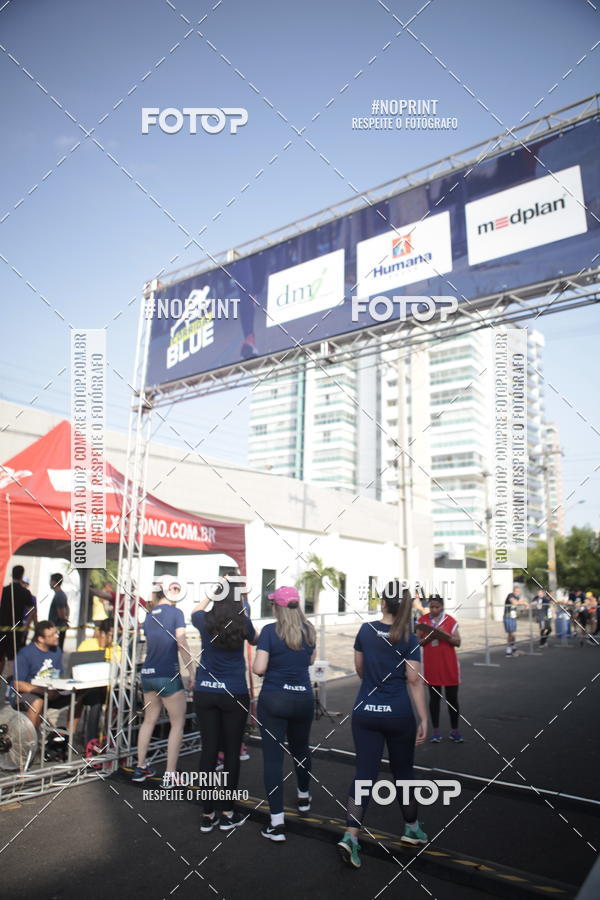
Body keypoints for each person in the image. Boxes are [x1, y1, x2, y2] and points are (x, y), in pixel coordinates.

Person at [338, 581, 428, 869]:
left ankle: (350, 835)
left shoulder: (366, 630)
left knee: (364, 774)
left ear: (383, 603)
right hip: (398, 715)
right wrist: (424, 718)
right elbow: (414, 681)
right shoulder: (410, 639)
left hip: (366, 712)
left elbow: (360, 669)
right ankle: (411, 829)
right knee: (404, 774)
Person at [192, 578, 257, 832]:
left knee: (208, 751)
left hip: (205, 691)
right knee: (231, 752)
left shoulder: (204, 620)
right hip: (234, 692)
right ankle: (228, 811)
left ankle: (207, 814)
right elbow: (255, 640)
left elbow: (195, 610)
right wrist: (243, 607)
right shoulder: (243, 622)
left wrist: (211, 592)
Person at [252, 586, 316, 842]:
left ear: (277, 607)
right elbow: (310, 661)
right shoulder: (309, 630)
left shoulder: (270, 631)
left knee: (273, 760)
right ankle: (304, 797)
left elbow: (259, 668)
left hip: (275, 699)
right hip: (303, 698)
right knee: (301, 749)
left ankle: (277, 823)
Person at [132, 577, 194, 783]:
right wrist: (192, 671)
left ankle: (140, 767)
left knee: (149, 720)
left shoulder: (149, 616)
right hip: (168, 674)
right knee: (177, 724)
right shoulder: (176, 613)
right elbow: (181, 642)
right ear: (168, 591)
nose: (177, 593)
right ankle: (170, 773)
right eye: (175, 589)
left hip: (148, 674)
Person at [11, 620, 83, 730]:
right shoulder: (25, 654)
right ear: (40, 639)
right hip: (27, 693)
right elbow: (18, 684)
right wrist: (43, 691)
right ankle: (32, 738)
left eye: (56, 633)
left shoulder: (56, 650)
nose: (56, 636)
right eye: (51, 635)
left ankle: (69, 735)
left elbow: (59, 675)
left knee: (78, 697)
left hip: (51, 692)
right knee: (37, 702)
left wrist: (59, 690)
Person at [416, 595, 463, 743]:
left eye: (437, 607)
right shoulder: (422, 621)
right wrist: (431, 635)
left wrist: (444, 635)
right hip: (431, 665)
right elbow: (418, 642)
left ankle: (455, 731)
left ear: (442, 607)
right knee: (434, 699)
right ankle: (436, 732)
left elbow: (458, 642)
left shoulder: (450, 620)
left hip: (449, 664)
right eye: (431, 607)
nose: (434, 609)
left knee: (452, 699)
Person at [0, 565, 35, 676]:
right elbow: (32, 610)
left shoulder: (4, 590)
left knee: (0, 656)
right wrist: (26, 625)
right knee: (12, 657)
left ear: (12, 574)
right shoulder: (25, 592)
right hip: (17, 630)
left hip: (2, 628)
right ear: (22, 576)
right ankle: (10, 682)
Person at [49, 573, 70, 650]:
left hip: (57, 628)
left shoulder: (59, 595)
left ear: (54, 582)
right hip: (58, 628)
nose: (49, 583)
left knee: (55, 651)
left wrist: (65, 619)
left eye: (51, 581)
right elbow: (67, 608)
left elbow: (61, 614)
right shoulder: (60, 595)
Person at [503, 585, 525, 656]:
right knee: (510, 633)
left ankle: (513, 647)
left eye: (519, 591)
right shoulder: (510, 595)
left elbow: (517, 604)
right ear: (513, 591)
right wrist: (524, 603)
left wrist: (523, 605)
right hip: (508, 617)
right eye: (516, 591)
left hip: (513, 617)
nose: (518, 593)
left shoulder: (517, 597)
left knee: (514, 633)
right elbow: (514, 603)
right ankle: (508, 650)